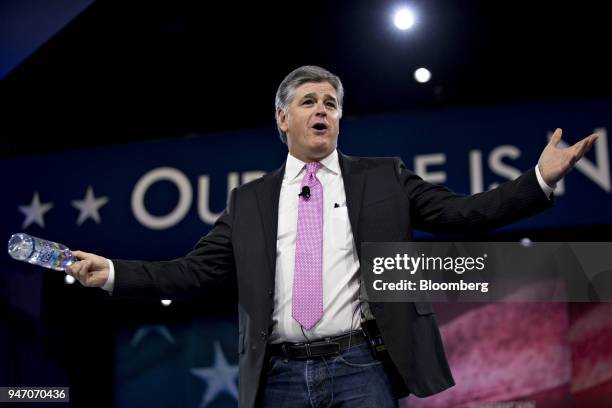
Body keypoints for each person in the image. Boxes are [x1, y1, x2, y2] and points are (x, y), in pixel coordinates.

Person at [66, 66, 598, 407]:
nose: (322, 110)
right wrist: (113, 271)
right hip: (277, 377)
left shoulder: (383, 177)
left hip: (361, 367)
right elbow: (193, 271)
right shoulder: (249, 200)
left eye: (330, 103)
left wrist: (540, 180)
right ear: (282, 119)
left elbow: (464, 214)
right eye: (309, 102)